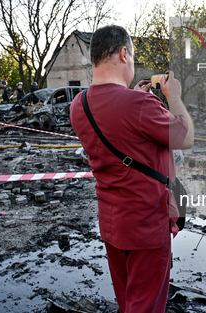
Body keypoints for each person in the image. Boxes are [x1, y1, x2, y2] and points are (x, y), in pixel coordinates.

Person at [69, 25, 194, 313]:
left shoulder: (79, 104)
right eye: (133, 56)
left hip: (113, 224)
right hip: (147, 226)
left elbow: (118, 126)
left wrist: (136, 98)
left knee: (128, 302)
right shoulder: (139, 104)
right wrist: (173, 96)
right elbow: (184, 137)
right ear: (124, 54)